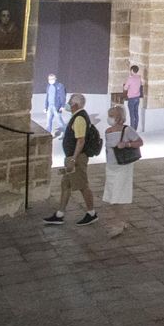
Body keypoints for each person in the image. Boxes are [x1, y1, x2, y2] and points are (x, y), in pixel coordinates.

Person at [44, 93, 97, 227]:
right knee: (66, 184)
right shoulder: (78, 116)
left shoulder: (79, 118)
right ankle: (59, 214)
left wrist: (73, 159)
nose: (68, 104)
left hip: (76, 158)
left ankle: (91, 213)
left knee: (83, 185)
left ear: (75, 105)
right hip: (72, 157)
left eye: (70, 102)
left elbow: (80, 140)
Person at [102, 105, 142, 238]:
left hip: (123, 167)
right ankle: (119, 221)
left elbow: (139, 142)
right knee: (112, 194)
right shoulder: (108, 131)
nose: (110, 118)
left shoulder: (127, 130)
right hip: (111, 166)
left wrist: (126, 144)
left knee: (120, 196)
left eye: (112, 115)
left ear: (119, 117)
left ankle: (118, 223)